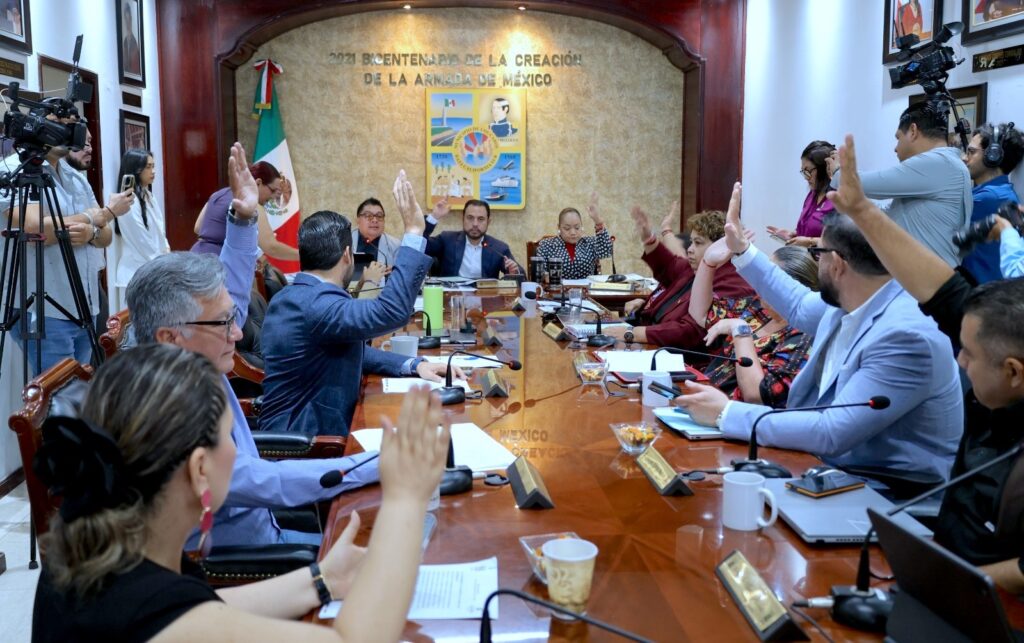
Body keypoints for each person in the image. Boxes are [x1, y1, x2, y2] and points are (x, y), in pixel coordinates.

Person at [33, 342, 450, 642]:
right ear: (200, 469)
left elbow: (212, 607)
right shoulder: (150, 613)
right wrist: (406, 498)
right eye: (231, 435)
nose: (237, 450)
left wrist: (322, 579)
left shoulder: (94, 549)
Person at [128, 142, 376, 548]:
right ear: (169, 337)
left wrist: (245, 218)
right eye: (224, 324)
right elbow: (267, 482)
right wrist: (377, 464)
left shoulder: (193, 357)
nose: (238, 333)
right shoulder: (171, 412)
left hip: (268, 529)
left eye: (231, 320)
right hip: (247, 562)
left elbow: (236, 296)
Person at [826, 132, 1024, 593]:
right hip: (936, 580)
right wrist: (862, 211)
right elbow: (936, 286)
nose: (959, 359)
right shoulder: (994, 329)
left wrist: (936, 584)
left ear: (1013, 372)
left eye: (968, 355)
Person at [672, 183, 963, 482]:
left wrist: (726, 414)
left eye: (816, 252)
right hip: (825, 467)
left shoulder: (905, 336)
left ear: (837, 264)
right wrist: (742, 250)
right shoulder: (855, 299)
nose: (814, 260)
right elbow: (797, 303)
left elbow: (832, 431)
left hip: (885, 490)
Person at [259, 172, 461, 437]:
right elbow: (390, 311)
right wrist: (413, 232)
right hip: (311, 443)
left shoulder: (299, 295)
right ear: (347, 255)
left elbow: (351, 351)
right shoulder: (316, 304)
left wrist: (413, 365)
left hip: (319, 431)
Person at [5, 123, 134, 374]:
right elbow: (35, 228)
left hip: (84, 301)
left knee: (80, 384)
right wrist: (96, 216)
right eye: (64, 123)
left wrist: (91, 231)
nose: (71, 133)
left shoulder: (75, 177)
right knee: (59, 389)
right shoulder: (14, 169)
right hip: (43, 306)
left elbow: (105, 235)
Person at [828, 102, 972, 267]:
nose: (895, 148)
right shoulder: (948, 164)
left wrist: (838, 172)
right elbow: (891, 212)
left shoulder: (938, 163)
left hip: (929, 277)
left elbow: (870, 183)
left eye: (898, 138)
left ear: (913, 131)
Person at [602, 207, 753, 348]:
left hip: (682, 357)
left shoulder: (733, 284)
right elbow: (668, 265)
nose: (690, 249)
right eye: (691, 242)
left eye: (698, 243)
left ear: (722, 247)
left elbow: (690, 331)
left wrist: (633, 334)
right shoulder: (697, 268)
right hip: (653, 342)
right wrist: (648, 238)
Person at [690, 243, 817, 407]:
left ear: (790, 288)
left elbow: (757, 396)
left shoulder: (805, 334)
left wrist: (740, 330)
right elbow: (700, 314)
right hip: (704, 398)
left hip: (733, 416)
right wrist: (708, 263)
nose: (758, 286)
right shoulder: (759, 307)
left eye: (767, 280)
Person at [192, 161, 299, 263]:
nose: (273, 197)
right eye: (273, 190)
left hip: (194, 258)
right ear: (258, 183)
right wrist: (303, 256)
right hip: (217, 264)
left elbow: (198, 227)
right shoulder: (251, 205)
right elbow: (271, 247)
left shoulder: (218, 194)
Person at [106, 149, 169, 313]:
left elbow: (160, 233)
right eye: (148, 167)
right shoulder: (128, 202)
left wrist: (166, 254)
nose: (153, 171)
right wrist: (165, 264)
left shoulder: (148, 195)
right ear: (136, 169)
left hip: (153, 271)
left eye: (153, 166)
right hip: (135, 274)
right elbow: (142, 241)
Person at [960, 122, 1024, 283]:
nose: (964, 158)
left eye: (971, 152)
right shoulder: (997, 192)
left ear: (993, 156)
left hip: (980, 292)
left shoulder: (990, 198)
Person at [423, 199, 522, 278]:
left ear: (488, 222)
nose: (475, 224)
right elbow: (421, 246)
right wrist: (434, 217)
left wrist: (514, 273)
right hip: (452, 295)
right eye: (470, 218)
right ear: (463, 218)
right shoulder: (447, 240)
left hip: (486, 296)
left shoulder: (499, 248)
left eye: (481, 219)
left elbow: (521, 276)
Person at [767, 140, 836, 248]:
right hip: (804, 256)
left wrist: (810, 241)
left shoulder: (838, 199)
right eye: (803, 172)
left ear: (824, 169)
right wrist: (793, 234)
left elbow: (841, 243)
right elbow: (808, 228)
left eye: (808, 171)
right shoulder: (812, 195)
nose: (806, 177)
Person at [536, 194, 613, 280]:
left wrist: (597, 220)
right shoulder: (546, 245)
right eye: (567, 228)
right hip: (558, 288)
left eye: (577, 228)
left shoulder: (589, 243)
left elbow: (607, 251)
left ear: (581, 226)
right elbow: (539, 272)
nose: (573, 232)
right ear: (559, 227)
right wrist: (546, 276)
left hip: (586, 288)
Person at [350, 197, 400, 282]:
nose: (374, 220)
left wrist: (395, 274)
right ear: (358, 220)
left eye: (379, 216)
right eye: (368, 216)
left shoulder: (396, 245)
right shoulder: (344, 242)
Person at [120, 0, 142, 76]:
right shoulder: (124, 42)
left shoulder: (135, 43)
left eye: (129, 19)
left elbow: (136, 69)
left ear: (131, 19)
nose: (127, 23)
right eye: (126, 19)